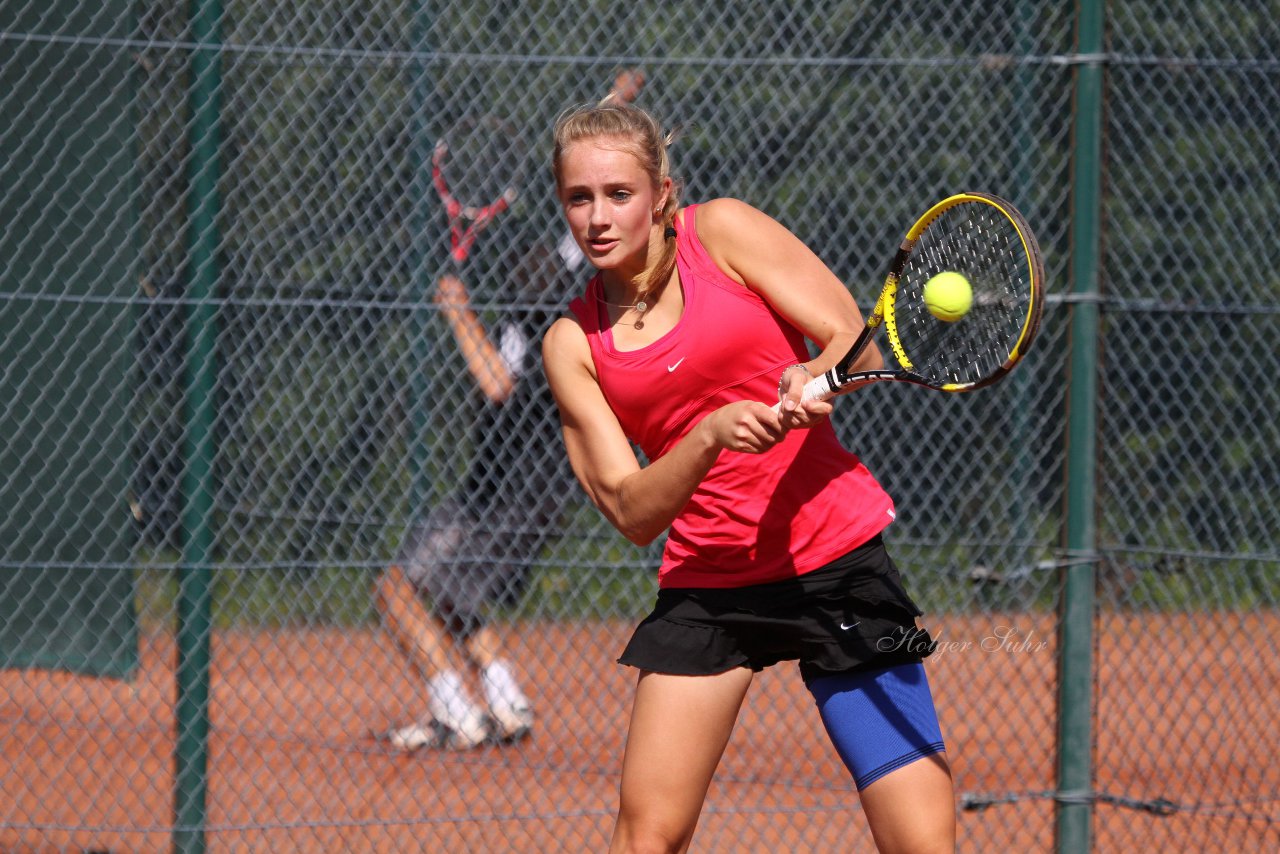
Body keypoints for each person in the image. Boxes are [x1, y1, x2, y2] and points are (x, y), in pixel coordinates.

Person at [541, 99, 956, 852]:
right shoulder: (573, 341)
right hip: (710, 588)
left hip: (833, 560)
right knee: (646, 840)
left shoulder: (722, 232)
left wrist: (810, 374)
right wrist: (708, 436)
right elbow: (633, 511)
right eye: (579, 197)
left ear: (661, 195)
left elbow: (852, 343)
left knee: (921, 844)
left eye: (618, 194)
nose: (597, 217)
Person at [375, 70, 646, 752]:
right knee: (454, 593)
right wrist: (609, 111)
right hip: (514, 488)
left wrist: (456, 312)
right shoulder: (542, 304)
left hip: (515, 493)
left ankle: (456, 713)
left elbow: (498, 385)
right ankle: (505, 702)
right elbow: (570, 215)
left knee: (397, 589)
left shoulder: (549, 315)